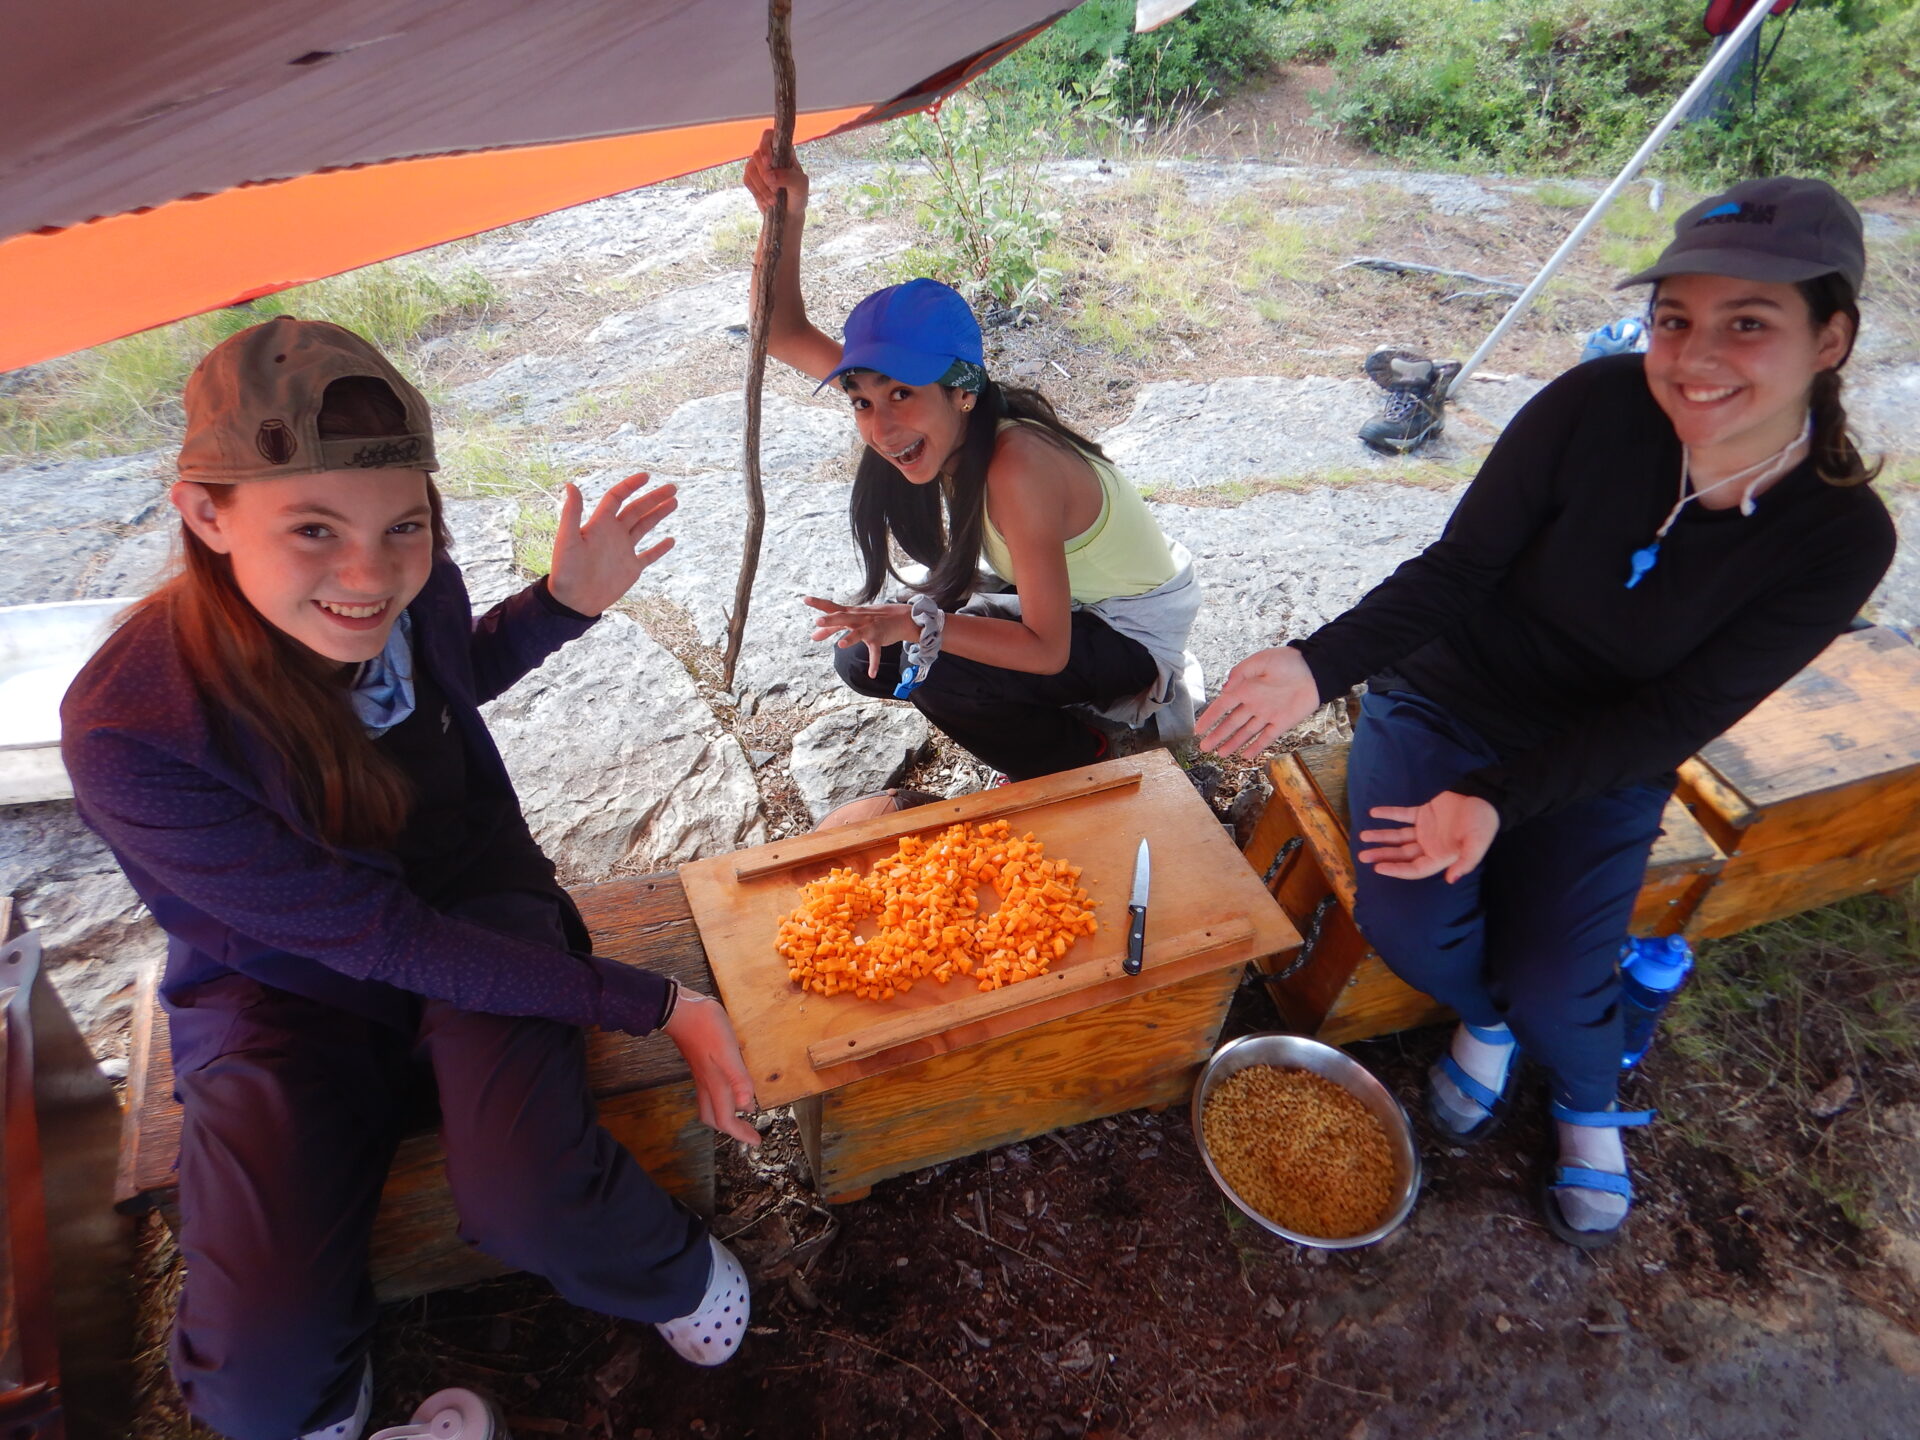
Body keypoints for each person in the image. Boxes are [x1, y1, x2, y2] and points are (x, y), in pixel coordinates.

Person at [61, 318, 761, 1440]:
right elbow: (376, 939)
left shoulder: (405, 584)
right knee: (257, 1388)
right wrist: (658, 1002)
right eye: (312, 529)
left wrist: (560, 606)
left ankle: (680, 1275)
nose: (370, 574)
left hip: (471, 896)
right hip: (277, 984)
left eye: (404, 525)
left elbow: (441, 690)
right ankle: (337, 1409)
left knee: (535, 1199)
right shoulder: (133, 726)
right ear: (206, 512)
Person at [1196, 177, 1895, 1247]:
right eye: (1675, 319)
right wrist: (1317, 662)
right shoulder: (1595, 405)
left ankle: (1587, 1099)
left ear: (1831, 337)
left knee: (1561, 972)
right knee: (1410, 923)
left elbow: (1678, 716)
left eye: (1748, 324)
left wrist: (1496, 800)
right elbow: (1461, 567)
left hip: (1606, 750)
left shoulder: (1840, 537)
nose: (1695, 357)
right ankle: (1483, 1019)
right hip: (1448, 696)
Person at [744, 135, 1200, 781]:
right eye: (862, 402)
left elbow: (1046, 649)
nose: (881, 426)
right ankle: (1055, 721)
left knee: (928, 664)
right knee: (864, 658)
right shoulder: (953, 420)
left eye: (902, 393)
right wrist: (783, 215)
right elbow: (779, 333)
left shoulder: (1016, 465)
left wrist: (913, 620)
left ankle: (1082, 760)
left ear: (962, 391)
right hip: (1066, 610)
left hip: (1126, 632)